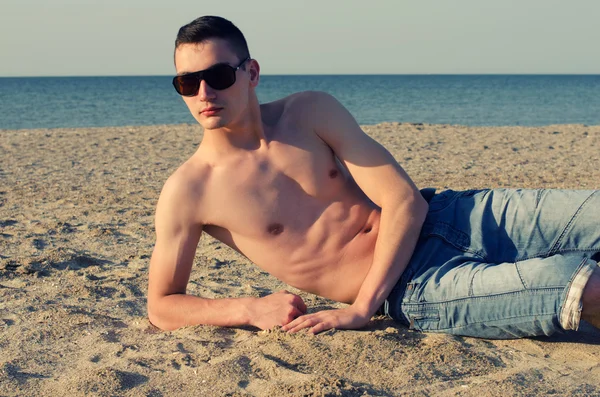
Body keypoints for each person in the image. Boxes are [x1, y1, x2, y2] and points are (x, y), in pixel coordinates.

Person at [147, 15, 600, 339]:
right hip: (415, 286)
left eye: (218, 75)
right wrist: (250, 307)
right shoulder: (189, 191)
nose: (204, 93)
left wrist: (361, 311)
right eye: (187, 82)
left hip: (451, 216)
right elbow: (162, 305)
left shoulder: (309, 111)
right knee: (579, 283)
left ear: (252, 73)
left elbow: (405, 200)